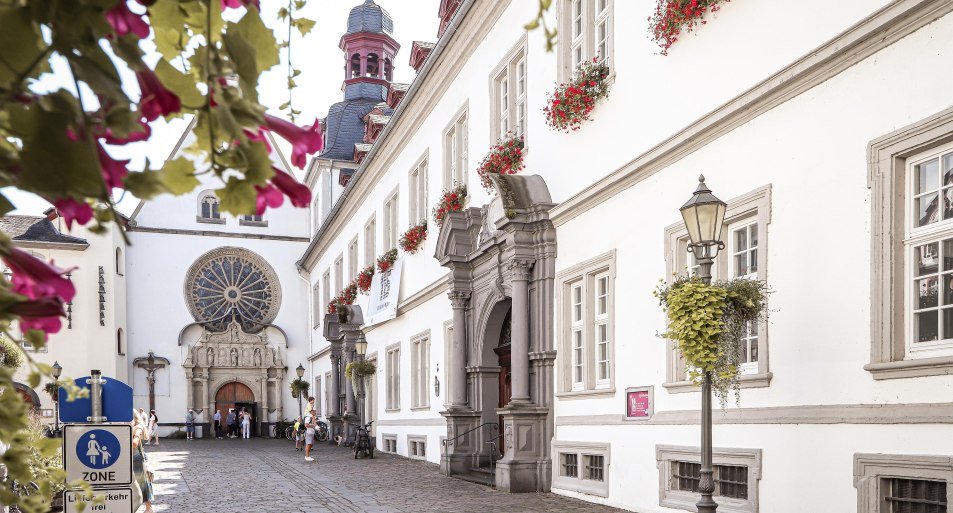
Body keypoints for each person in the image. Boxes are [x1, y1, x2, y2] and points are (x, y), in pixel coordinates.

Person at [131, 409, 155, 513]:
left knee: (143, 482)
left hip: (138, 458)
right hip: (133, 458)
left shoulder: (138, 427)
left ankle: (149, 508)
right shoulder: (131, 427)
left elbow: (135, 443)